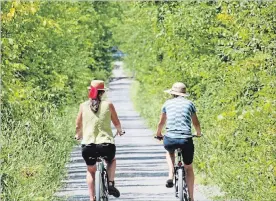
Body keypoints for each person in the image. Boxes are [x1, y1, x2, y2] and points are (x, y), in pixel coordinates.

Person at [75, 80, 124, 201]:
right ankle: (111, 183)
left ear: (90, 91)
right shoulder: (108, 105)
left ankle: (92, 198)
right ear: (102, 92)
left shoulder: (83, 106)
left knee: (91, 171)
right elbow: (117, 122)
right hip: (106, 145)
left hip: (88, 146)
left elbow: (78, 125)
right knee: (111, 161)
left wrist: (78, 135)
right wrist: (119, 131)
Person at [155, 82, 202, 201]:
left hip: (170, 138)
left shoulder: (167, 104)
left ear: (172, 93)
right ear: (184, 94)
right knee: (189, 168)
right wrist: (198, 133)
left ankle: (170, 174)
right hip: (186, 139)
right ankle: (191, 197)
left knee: (169, 151)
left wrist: (158, 134)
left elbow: (161, 123)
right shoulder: (190, 104)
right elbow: (196, 123)